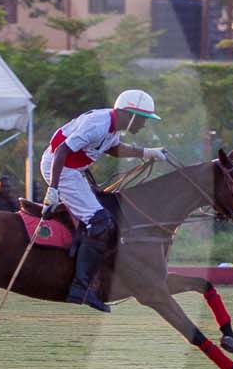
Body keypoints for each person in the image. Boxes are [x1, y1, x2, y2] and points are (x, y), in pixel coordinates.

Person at [39, 87, 168, 313]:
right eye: (143, 119)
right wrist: (53, 189)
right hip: (60, 168)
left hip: (73, 170)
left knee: (105, 216)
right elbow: (61, 151)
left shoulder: (113, 127)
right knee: (100, 221)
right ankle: (81, 289)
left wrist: (147, 152)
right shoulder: (98, 124)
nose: (144, 124)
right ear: (130, 115)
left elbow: (115, 149)